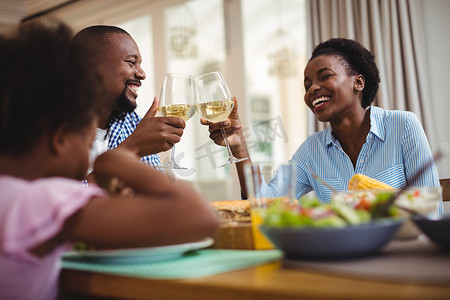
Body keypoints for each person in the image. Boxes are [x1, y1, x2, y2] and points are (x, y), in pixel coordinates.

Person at [0, 19, 219, 300]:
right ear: (61, 137)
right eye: (87, 134)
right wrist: (118, 159)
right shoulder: (34, 201)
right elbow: (197, 216)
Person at [202, 38, 442, 213]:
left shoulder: (403, 126)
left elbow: (430, 210)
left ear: (357, 82)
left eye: (324, 76)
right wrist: (239, 147)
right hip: (339, 261)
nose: (313, 89)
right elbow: (265, 204)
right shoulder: (311, 151)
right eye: (307, 85)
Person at [71, 25, 186, 175]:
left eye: (140, 65)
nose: (142, 74)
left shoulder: (130, 122)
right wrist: (133, 147)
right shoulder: (46, 128)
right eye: (131, 63)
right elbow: (64, 197)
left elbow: (154, 194)